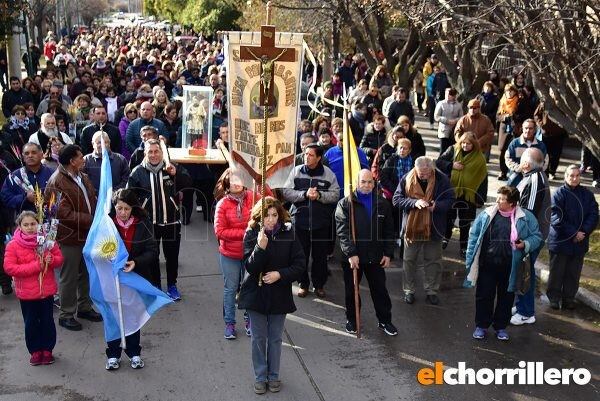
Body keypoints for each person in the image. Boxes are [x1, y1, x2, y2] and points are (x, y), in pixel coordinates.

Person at [238, 197, 305, 395]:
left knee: (275, 338)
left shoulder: (289, 233)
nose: (270, 220)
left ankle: (273, 375)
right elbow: (249, 266)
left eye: (274, 215)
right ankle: (260, 376)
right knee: (258, 338)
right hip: (255, 295)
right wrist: (260, 248)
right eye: (266, 216)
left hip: (279, 294)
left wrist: (280, 275)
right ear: (259, 217)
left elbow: (300, 264)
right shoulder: (251, 233)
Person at [466, 186, 542, 341]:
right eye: (498, 197)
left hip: (510, 267)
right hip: (487, 264)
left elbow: (537, 237)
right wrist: (470, 258)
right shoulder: (487, 214)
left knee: (506, 298)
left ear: (512, 203)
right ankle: (481, 326)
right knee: (484, 296)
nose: (497, 201)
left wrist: (525, 244)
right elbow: (474, 235)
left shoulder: (526, 217)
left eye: (502, 199)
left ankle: (500, 327)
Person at [45, 144, 102, 331]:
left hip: (86, 234)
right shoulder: (56, 182)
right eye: (80, 156)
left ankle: (84, 307)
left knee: (85, 273)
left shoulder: (82, 176)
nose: (83, 159)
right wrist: (91, 220)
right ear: (72, 161)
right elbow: (62, 214)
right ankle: (66, 314)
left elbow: (91, 200)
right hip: (69, 237)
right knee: (68, 277)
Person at [127, 139, 191, 300]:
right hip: (149, 224)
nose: (154, 155)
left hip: (172, 222)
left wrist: (176, 175)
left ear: (162, 153)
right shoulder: (137, 172)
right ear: (145, 153)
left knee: (172, 256)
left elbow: (188, 185)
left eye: (157, 151)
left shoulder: (172, 167)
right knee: (152, 257)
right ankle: (155, 285)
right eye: (150, 152)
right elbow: (130, 197)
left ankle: (172, 285)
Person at [335, 169, 397, 336]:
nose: (367, 185)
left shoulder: (382, 203)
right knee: (352, 290)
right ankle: (352, 320)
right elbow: (343, 232)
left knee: (380, 291)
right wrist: (351, 253)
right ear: (356, 183)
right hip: (353, 258)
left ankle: (385, 321)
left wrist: (388, 253)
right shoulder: (345, 204)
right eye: (363, 181)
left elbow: (389, 231)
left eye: (370, 182)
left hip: (376, 256)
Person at [105, 189, 159, 370]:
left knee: (133, 315)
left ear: (133, 208)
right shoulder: (107, 224)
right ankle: (113, 354)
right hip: (112, 279)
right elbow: (97, 250)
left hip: (135, 277)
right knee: (113, 316)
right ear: (114, 207)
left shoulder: (143, 224)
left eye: (126, 209)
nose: (122, 212)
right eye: (119, 208)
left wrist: (135, 262)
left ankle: (134, 353)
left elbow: (152, 251)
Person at [4, 211, 64, 366]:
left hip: (46, 292)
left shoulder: (47, 241)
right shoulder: (13, 245)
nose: (30, 227)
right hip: (27, 294)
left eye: (33, 224)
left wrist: (51, 260)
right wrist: (36, 266)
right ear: (20, 226)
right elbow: (10, 268)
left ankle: (47, 350)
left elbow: (59, 260)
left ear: (38, 224)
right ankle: (35, 351)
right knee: (31, 323)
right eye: (26, 224)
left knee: (47, 321)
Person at [393, 156, 455, 305]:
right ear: (415, 169)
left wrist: (437, 206)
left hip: (434, 227)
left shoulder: (442, 179)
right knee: (409, 260)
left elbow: (451, 199)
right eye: (421, 174)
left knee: (433, 261)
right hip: (412, 228)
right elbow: (396, 199)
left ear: (432, 169)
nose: (424, 176)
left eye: (427, 173)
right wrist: (414, 202)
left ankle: (431, 290)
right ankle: (409, 290)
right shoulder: (406, 178)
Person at [282, 144, 340, 298]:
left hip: (321, 223)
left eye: (311, 155)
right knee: (301, 255)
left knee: (320, 257)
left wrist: (320, 196)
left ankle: (319, 285)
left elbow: (335, 195)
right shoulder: (296, 171)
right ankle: (303, 284)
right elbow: (286, 191)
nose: (306, 157)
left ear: (319, 157)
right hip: (300, 221)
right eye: (306, 154)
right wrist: (304, 195)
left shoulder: (328, 174)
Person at [213, 169, 260, 340]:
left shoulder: (254, 197)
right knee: (231, 289)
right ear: (226, 184)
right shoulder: (222, 204)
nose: (236, 182)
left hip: (251, 253)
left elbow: (268, 207)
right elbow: (220, 231)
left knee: (249, 287)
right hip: (229, 254)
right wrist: (246, 232)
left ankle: (250, 321)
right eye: (232, 180)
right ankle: (230, 323)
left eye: (239, 178)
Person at [506, 148, 551, 325]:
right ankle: (522, 305)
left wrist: (521, 241)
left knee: (524, 271)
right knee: (523, 271)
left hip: (530, 238)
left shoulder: (535, 179)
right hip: (530, 237)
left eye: (522, 160)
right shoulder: (534, 177)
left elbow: (528, 214)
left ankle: (526, 312)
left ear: (526, 164)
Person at [547, 165, 599, 310]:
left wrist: (583, 232)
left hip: (580, 241)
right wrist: (574, 233)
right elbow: (556, 217)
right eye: (571, 175)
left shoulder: (587, 194)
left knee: (573, 273)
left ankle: (569, 298)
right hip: (561, 241)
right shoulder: (558, 194)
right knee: (557, 272)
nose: (574, 178)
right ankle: (554, 298)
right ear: (565, 176)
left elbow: (593, 215)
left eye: (577, 175)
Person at [436, 132, 487, 256]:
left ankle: (463, 247)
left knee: (465, 222)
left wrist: (480, 198)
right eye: (463, 142)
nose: (465, 145)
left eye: (468, 144)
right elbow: (439, 162)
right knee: (449, 218)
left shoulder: (480, 157)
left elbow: (483, 178)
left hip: (469, 195)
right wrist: (451, 165)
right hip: (452, 192)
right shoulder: (453, 150)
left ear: (474, 145)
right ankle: (445, 239)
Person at [0, 143, 54, 213]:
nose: (30, 156)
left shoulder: (51, 173)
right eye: (27, 153)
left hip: (50, 217)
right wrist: (25, 198)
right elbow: (5, 199)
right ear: (23, 157)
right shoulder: (14, 177)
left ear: (41, 155)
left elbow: (61, 196)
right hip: (25, 220)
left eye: (34, 153)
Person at [496, 84, 520, 180]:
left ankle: (514, 172)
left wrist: (514, 117)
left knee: (514, 151)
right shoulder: (502, 101)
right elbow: (497, 116)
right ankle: (503, 172)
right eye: (507, 91)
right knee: (502, 151)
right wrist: (504, 117)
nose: (509, 93)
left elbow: (523, 114)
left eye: (511, 91)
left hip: (515, 129)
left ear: (515, 92)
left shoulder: (519, 101)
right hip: (504, 128)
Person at [434, 88, 463, 154]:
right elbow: (436, 116)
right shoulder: (441, 103)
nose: (447, 96)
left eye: (449, 94)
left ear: (454, 96)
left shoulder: (458, 105)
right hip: (443, 130)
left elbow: (461, 117)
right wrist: (446, 120)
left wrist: (455, 120)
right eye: (446, 94)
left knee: (452, 151)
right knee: (443, 150)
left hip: (454, 131)